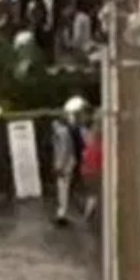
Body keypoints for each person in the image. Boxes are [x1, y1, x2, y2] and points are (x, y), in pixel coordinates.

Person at [52, 96, 86, 225]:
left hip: (66, 163)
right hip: (70, 161)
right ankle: (62, 212)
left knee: (63, 187)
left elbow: (63, 149)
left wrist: (59, 165)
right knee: (64, 188)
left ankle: (62, 214)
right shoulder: (69, 130)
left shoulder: (62, 132)